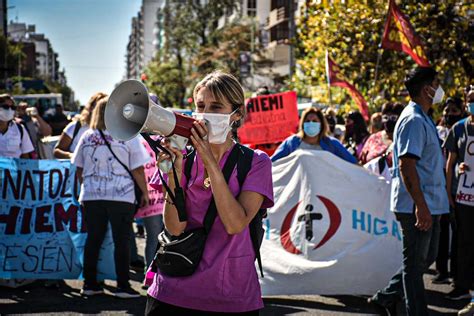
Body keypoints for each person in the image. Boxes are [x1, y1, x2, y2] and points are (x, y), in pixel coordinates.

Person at [145, 71, 274, 314]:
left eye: (216, 106)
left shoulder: (256, 162)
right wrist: (174, 171)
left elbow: (235, 223)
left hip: (228, 295)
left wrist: (210, 160)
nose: (205, 114)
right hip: (172, 291)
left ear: (236, 114)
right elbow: (173, 228)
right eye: (201, 105)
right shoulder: (182, 157)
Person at [368, 67, 449, 316]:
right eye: (437, 83)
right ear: (427, 89)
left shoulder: (423, 117)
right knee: (414, 266)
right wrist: (420, 205)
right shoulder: (413, 119)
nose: (440, 88)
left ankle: (385, 298)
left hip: (431, 203)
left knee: (426, 258)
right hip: (416, 206)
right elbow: (406, 164)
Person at [71, 97, 150, 298]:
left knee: (93, 240)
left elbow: (78, 168)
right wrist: (145, 192)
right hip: (121, 196)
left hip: (91, 196)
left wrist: (87, 187)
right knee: (121, 240)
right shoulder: (128, 136)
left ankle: (90, 284)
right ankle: (123, 286)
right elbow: (138, 169)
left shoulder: (87, 136)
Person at [444, 89, 474, 300]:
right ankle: (462, 285)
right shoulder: (458, 129)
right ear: (466, 104)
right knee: (463, 241)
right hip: (463, 195)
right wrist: (449, 192)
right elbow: (450, 164)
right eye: (471, 101)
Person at [433, 96, 465, 285]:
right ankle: (441, 270)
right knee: (441, 230)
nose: (448, 114)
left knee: (458, 231)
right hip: (438, 187)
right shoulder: (437, 132)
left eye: (454, 110)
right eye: (447, 110)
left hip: (456, 187)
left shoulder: (463, 131)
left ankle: (456, 272)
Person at [271, 107, 356, 163]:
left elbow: (353, 164)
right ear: (303, 124)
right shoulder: (292, 143)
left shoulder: (332, 144)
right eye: (307, 121)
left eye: (314, 121)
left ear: (321, 124)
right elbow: (272, 163)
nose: (311, 123)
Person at [54, 92, 107, 159]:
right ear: (90, 108)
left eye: (105, 107)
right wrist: (71, 156)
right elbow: (57, 151)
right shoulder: (76, 127)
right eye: (99, 107)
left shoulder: (113, 130)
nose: (101, 111)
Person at [0, 94, 34, 158]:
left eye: (13, 107)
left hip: (14, 167)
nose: (9, 110)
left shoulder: (20, 129)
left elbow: (26, 155)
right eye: (5, 107)